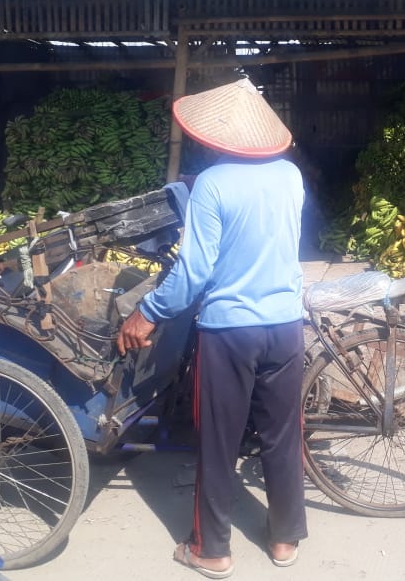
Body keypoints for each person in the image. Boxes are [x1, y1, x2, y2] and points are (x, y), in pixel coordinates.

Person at [117, 77, 307, 578]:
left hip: (230, 332)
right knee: (282, 435)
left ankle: (213, 550)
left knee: (219, 442)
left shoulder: (212, 184)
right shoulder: (290, 176)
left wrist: (148, 311)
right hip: (286, 325)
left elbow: (194, 272)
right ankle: (285, 539)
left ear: (218, 135)